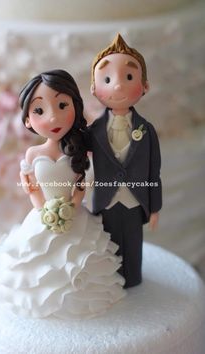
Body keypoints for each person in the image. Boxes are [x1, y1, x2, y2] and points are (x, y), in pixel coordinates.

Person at [0, 70, 125, 319]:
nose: (53, 116)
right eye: (39, 110)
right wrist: (43, 209)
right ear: (28, 121)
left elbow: (82, 184)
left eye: (62, 105)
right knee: (36, 263)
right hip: (42, 216)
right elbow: (30, 186)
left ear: (75, 105)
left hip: (76, 216)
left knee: (81, 263)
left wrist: (72, 207)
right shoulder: (32, 155)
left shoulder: (79, 153)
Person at [86, 34, 162, 288]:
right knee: (107, 243)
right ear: (94, 88)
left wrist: (154, 207)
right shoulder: (92, 131)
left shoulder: (146, 130)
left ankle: (133, 279)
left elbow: (154, 171)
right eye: (107, 79)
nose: (118, 86)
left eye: (128, 77)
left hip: (135, 199)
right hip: (105, 201)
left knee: (133, 242)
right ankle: (110, 281)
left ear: (145, 86)